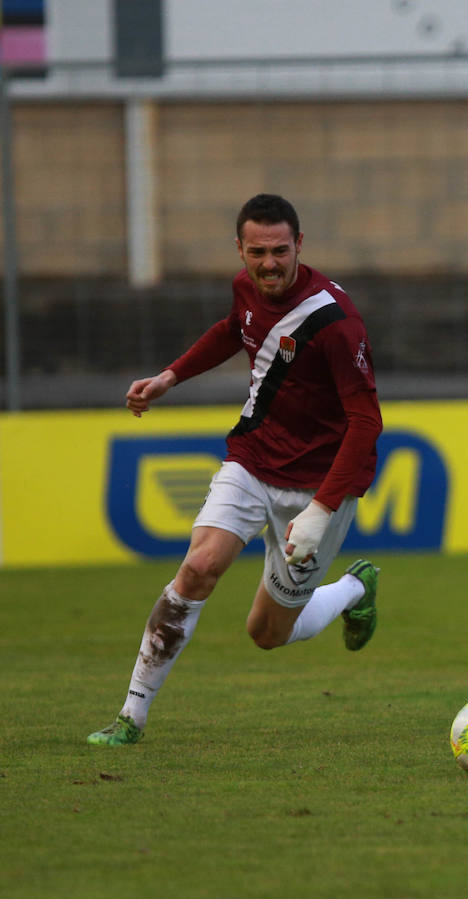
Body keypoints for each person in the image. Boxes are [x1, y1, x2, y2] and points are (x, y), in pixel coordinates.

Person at [88, 194, 384, 746]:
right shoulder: (245, 287)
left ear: (300, 245)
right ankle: (131, 717)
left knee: (267, 633)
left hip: (318, 489)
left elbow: (365, 423)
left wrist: (320, 511)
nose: (268, 263)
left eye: (279, 251)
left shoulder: (337, 323)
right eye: (256, 252)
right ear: (240, 250)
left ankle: (352, 590)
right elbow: (233, 330)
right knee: (199, 566)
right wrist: (169, 377)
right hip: (251, 458)